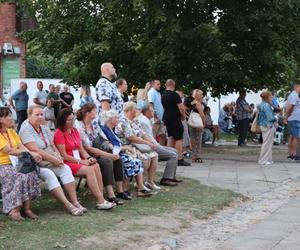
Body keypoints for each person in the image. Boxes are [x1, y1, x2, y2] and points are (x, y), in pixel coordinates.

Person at [20, 105, 84, 215]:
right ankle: (68, 205)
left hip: (51, 159)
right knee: (50, 174)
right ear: (29, 116)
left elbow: (52, 144)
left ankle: (75, 202)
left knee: (65, 169)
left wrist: (58, 157)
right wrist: (54, 159)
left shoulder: (43, 126)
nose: (40, 116)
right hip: (37, 163)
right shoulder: (25, 130)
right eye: (37, 114)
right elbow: (35, 150)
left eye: (41, 114)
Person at [54, 108, 115, 210]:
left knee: (95, 165)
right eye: (69, 120)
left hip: (79, 159)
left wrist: (89, 157)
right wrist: (81, 161)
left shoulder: (74, 131)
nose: (72, 122)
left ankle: (101, 199)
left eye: (73, 119)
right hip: (68, 161)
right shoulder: (59, 133)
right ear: (62, 120)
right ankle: (100, 200)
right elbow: (63, 155)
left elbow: (81, 149)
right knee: (89, 169)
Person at [75, 103, 127, 204]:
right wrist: (109, 154)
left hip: (97, 152)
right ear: (88, 113)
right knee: (107, 160)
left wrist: (112, 148)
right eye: (94, 111)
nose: (96, 112)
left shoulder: (93, 124)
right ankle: (110, 194)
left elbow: (104, 138)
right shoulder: (79, 126)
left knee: (117, 159)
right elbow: (88, 148)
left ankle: (120, 191)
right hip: (85, 155)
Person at [0, 107, 41, 221]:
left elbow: (21, 146)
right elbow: (9, 150)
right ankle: (14, 209)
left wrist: (31, 153)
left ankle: (26, 208)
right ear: (0, 119)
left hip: (16, 163)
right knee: (17, 176)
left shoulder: (11, 132)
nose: (11, 118)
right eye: (7, 116)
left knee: (30, 173)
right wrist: (31, 153)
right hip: (3, 165)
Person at [101, 110, 152, 197]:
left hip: (118, 152)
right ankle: (125, 189)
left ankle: (140, 187)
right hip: (112, 154)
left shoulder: (111, 129)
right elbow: (109, 146)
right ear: (110, 119)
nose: (118, 119)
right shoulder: (104, 130)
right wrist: (125, 148)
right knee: (132, 161)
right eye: (116, 118)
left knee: (136, 160)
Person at [115, 102, 160, 191]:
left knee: (154, 155)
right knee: (145, 158)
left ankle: (150, 182)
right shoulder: (123, 121)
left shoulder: (135, 120)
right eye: (135, 109)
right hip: (125, 147)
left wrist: (151, 141)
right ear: (130, 110)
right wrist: (147, 143)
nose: (137, 111)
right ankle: (140, 183)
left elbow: (142, 133)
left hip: (134, 146)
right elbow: (131, 137)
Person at [137, 104, 181, 186]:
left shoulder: (147, 120)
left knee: (175, 151)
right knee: (173, 155)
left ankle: (171, 176)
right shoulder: (143, 121)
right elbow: (149, 138)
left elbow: (151, 136)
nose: (154, 112)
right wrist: (159, 146)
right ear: (147, 112)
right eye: (152, 110)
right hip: (149, 146)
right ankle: (166, 178)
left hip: (152, 144)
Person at [161, 79, 190, 166]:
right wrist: (184, 116)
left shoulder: (163, 94)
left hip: (167, 117)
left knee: (171, 137)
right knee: (179, 138)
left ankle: (170, 156)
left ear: (166, 85)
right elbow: (181, 107)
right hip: (175, 118)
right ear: (173, 85)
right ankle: (179, 158)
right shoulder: (174, 94)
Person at [257, 92, 276, 165]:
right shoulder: (266, 105)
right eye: (270, 96)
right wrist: (276, 118)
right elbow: (270, 117)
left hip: (264, 125)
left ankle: (268, 159)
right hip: (267, 125)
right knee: (267, 143)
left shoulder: (262, 104)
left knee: (268, 143)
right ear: (267, 97)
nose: (272, 97)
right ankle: (263, 160)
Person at [188, 89, 206, 162]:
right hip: (198, 122)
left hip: (192, 122)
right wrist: (204, 122)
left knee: (193, 138)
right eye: (201, 94)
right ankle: (197, 156)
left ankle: (194, 155)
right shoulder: (198, 103)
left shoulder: (192, 102)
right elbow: (201, 114)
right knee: (198, 139)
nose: (202, 96)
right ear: (198, 96)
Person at [147, 80, 166, 146]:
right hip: (155, 119)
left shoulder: (158, 93)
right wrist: (155, 117)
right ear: (153, 85)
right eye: (158, 84)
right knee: (153, 137)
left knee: (163, 136)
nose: (159, 85)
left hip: (160, 119)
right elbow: (150, 104)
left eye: (159, 84)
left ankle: (162, 152)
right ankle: (153, 153)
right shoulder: (152, 92)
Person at [285, 83, 300, 160]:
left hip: (292, 118)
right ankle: (294, 154)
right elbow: (291, 107)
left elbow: (287, 106)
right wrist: (288, 115)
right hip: (295, 118)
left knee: (291, 136)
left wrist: (287, 116)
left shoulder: (291, 95)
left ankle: (291, 153)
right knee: (296, 137)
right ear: (297, 87)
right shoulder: (295, 95)